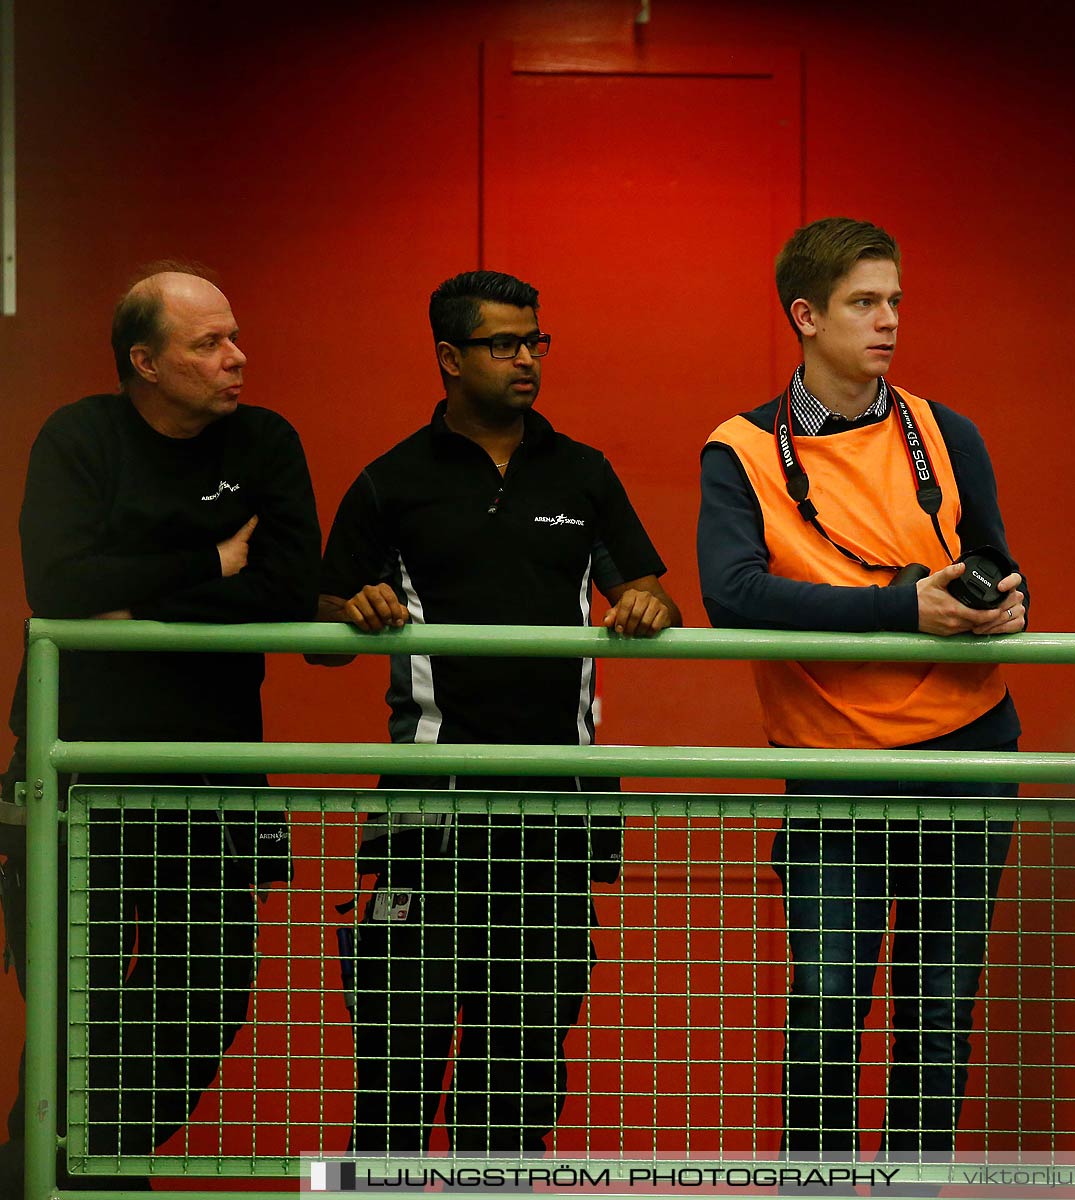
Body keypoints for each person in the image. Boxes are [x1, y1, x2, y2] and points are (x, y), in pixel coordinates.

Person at [311, 269, 678, 1153]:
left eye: (535, 341)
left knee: (519, 1080)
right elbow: (321, 630)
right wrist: (352, 611)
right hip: (424, 820)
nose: (526, 359)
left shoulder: (583, 471)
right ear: (448, 356)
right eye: (503, 343)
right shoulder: (388, 481)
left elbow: (655, 595)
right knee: (397, 1080)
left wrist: (647, 607)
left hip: (557, 817)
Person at [697, 217, 1026, 1160]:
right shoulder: (742, 449)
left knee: (938, 1017)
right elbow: (734, 595)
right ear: (805, 315)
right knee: (829, 1004)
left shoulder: (943, 429)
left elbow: (997, 559)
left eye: (894, 301)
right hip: (832, 766)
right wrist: (900, 612)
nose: (888, 322)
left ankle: (915, 1187)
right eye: (863, 303)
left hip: (968, 752)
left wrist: (1006, 601)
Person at [3, 264, 319, 1182]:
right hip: (72, 775)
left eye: (233, 335)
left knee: (204, 1002)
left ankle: (86, 1167)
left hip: (210, 777)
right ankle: (66, 1175)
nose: (237, 357)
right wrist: (209, 561)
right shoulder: (79, 438)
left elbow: (287, 588)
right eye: (209, 343)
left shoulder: (264, 441)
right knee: (74, 1010)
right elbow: (58, 587)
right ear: (144, 361)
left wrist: (138, 605)